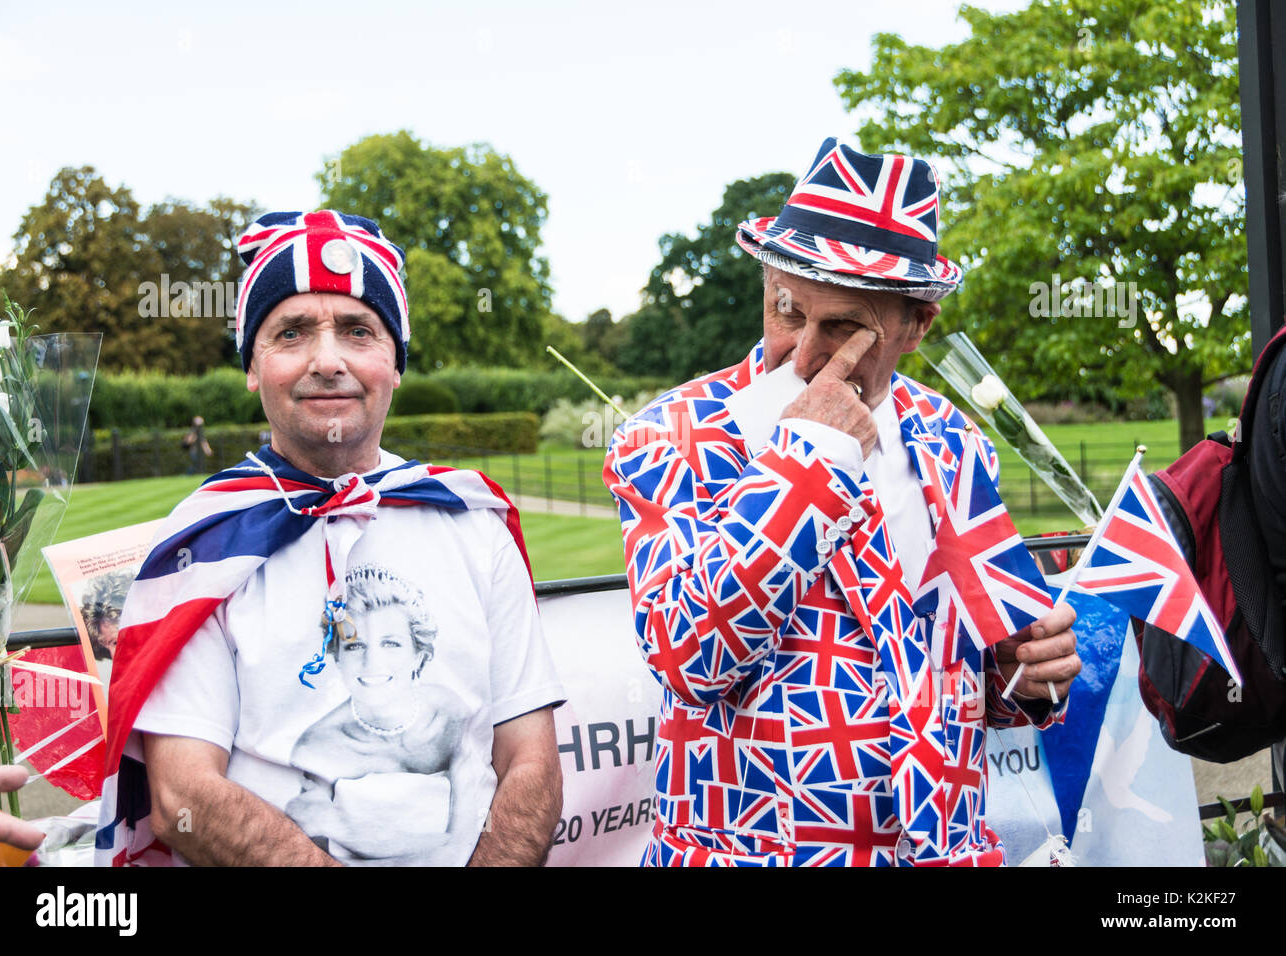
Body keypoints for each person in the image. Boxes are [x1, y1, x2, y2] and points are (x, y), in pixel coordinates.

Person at [604, 138, 1081, 867]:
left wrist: (1023, 671)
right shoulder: (673, 435)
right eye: (787, 309)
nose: (800, 353)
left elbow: (968, 672)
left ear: (916, 326)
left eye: (843, 327)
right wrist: (811, 462)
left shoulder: (954, 441)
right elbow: (689, 656)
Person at [95, 210, 565, 867]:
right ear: (253, 368)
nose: (327, 360)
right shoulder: (197, 547)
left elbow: (530, 758)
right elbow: (182, 794)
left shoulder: (472, 522)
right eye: (291, 332)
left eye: (357, 330)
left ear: (394, 363)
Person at [286, 563, 476, 865]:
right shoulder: (318, 745)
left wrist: (347, 831)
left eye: (391, 643)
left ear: (419, 654)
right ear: (338, 658)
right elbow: (311, 842)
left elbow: (463, 845)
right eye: (354, 645)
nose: (372, 662)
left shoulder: (450, 718)